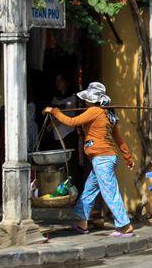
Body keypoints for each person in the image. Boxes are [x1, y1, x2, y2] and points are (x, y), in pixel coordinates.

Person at [44, 81, 135, 237]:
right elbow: (119, 139)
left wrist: (55, 111)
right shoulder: (108, 114)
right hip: (104, 158)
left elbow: (72, 122)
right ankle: (82, 221)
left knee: (110, 192)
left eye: (87, 98)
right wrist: (127, 157)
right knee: (89, 190)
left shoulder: (94, 111)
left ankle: (124, 225)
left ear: (92, 99)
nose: (85, 101)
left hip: (102, 158)